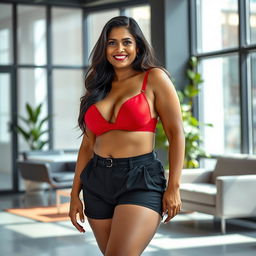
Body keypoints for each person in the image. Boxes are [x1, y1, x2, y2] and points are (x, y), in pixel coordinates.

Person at [69, 16, 185, 256]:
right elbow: (88, 144)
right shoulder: (97, 85)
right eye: (112, 43)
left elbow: (176, 134)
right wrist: (74, 194)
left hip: (140, 179)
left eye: (127, 42)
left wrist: (174, 187)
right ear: (104, 48)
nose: (119, 49)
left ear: (138, 46)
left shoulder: (154, 78)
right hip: (97, 181)